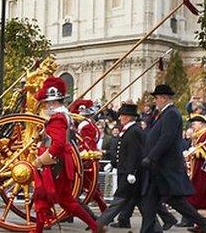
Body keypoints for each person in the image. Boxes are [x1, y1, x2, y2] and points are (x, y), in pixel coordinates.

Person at [138, 84, 206, 233]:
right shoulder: (163, 114)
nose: (155, 101)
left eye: (156, 98)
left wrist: (151, 156)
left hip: (166, 166)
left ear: (163, 98)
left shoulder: (172, 114)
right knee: (148, 201)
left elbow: (166, 138)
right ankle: (149, 230)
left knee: (175, 200)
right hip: (158, 167)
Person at [30, 77, 97, 233]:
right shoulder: (64, 116)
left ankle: (95, 227)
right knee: (60, 199)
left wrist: (41, 160)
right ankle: (95, 227)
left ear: (53, 103)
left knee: (45, 196)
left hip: (54, 164)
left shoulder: (57, 118)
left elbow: (58, 144)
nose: (45, 106)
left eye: (46, 103)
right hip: (61, 163)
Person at [97, 103, 147, 230]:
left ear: (129, 117)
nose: (120, 118)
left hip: (130, 173)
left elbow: (134, 153)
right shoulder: (129, 130)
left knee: (119, 200)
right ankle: (156, 226)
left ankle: (99, 224)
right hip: (124, 170)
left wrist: (131, 171)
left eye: (123, 116)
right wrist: (113, 163)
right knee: (141, 203)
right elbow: (122, 151)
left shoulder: (134, 131)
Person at [72, 98, 108, 212]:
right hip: (86, 160)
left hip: (85, 161)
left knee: (90, 190)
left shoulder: (85, 126)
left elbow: (87, 145)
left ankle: (102, 213)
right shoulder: (88, 125)